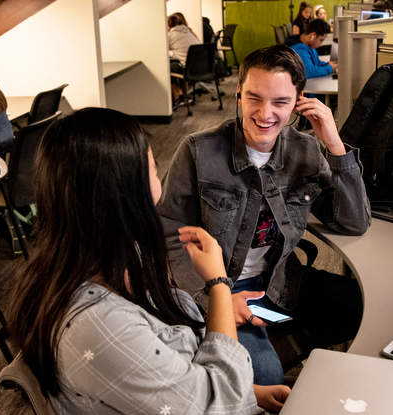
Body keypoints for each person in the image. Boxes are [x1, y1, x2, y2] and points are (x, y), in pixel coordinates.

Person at [8, 108, 291, 414]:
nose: (161, 180)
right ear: (127, 191)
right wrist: (219, 284)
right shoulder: (99, 325)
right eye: (155, 170)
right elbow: (213, 405)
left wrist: (251, 393)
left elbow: (174, 374)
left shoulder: (112, 256)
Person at [158, 45, 371, 386]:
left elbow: (353, 221)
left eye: (280, 102)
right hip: (222, 284)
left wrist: (334, 145)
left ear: (299, 100)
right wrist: (218, 299)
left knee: (360, 307)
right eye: (254, 98)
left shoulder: (305, 150)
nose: (265, 113)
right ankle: (272, 347)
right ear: (239, 93)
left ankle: (286, 341)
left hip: (281, 280)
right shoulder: (197, 151)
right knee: (265, 376)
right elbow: (169, 237)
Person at [167, 12, 201, 102]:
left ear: (169, 24)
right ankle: (185, 95)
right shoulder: (189, 32)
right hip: (199, 66)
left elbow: (162, 52)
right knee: (176, 64)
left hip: (186, 68)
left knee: (167, 68)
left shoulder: (170, 35)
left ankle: (177, 95)